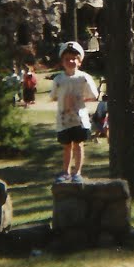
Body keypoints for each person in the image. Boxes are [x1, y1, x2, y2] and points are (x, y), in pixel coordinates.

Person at [49, 40, 99, 183]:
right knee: (66, 146)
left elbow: (93, 95)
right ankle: (65, 171)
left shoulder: (84, 78)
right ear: (62, 62)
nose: (70, 61)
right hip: (64, 119)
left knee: (78, 144)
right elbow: (53, 96)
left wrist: (80, 100)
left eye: (74, 58)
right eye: (67, 59)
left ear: (80, 61)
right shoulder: (58, 79)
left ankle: (77, 172)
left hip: (79, 118)